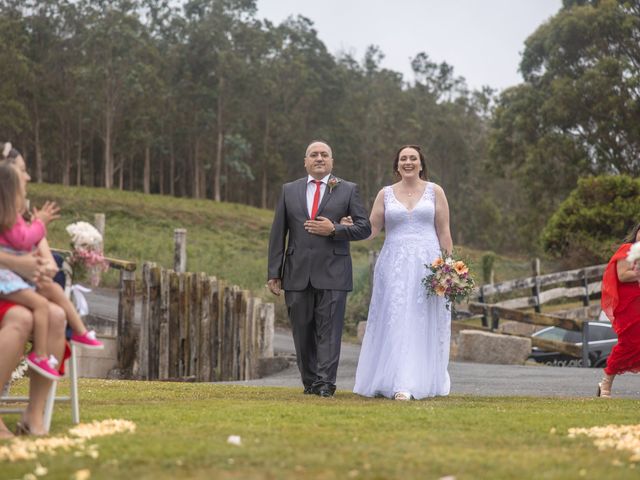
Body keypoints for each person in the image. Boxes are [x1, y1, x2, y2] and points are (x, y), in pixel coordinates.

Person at [267, 140, 371, 397]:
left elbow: (364, 227)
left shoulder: (347, 190)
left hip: (334, 271)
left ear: (332, 161)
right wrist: (274, 272)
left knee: (330, 332)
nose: (319, 158)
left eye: (325, 154)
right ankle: (310, 382)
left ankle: (326, 384)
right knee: (302, 331)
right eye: (314, 154)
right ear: (306, 161)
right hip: (296, 272)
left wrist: (335, 229)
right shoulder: (288, 191)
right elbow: (278, 233)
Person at [351, 145, 453, 400]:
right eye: (403, 159)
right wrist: (346, 228)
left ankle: (416, 381)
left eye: (413, 158)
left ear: (421, 164)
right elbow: (372, 230)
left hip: (427, 265)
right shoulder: (385, 194)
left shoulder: (435, 191)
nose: (408, 162)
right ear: (397, 165)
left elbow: (444, 232)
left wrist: (449, 268)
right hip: (393, 264)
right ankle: (396, 381)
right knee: (396, 318)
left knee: (420, 319)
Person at [0, 252, 68, 438]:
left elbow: (50, 263)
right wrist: (18, 263)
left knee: (56, 316)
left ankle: (33, 415)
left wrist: (43, 265)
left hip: (21, 289)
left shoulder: (26, 223)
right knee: (21, 318)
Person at [598, 222, 640, 397]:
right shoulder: (627, 249)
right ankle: (606, 382)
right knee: (629, 342)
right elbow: (622, 275)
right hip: (628, 304)